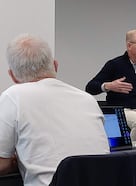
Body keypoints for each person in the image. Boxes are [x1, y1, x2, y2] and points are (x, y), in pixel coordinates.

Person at [0, 34, 109, 186]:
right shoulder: (87, 99)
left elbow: (1, 164)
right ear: (55, 65)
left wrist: (15, 161)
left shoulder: (13, 96)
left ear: (13, 76)